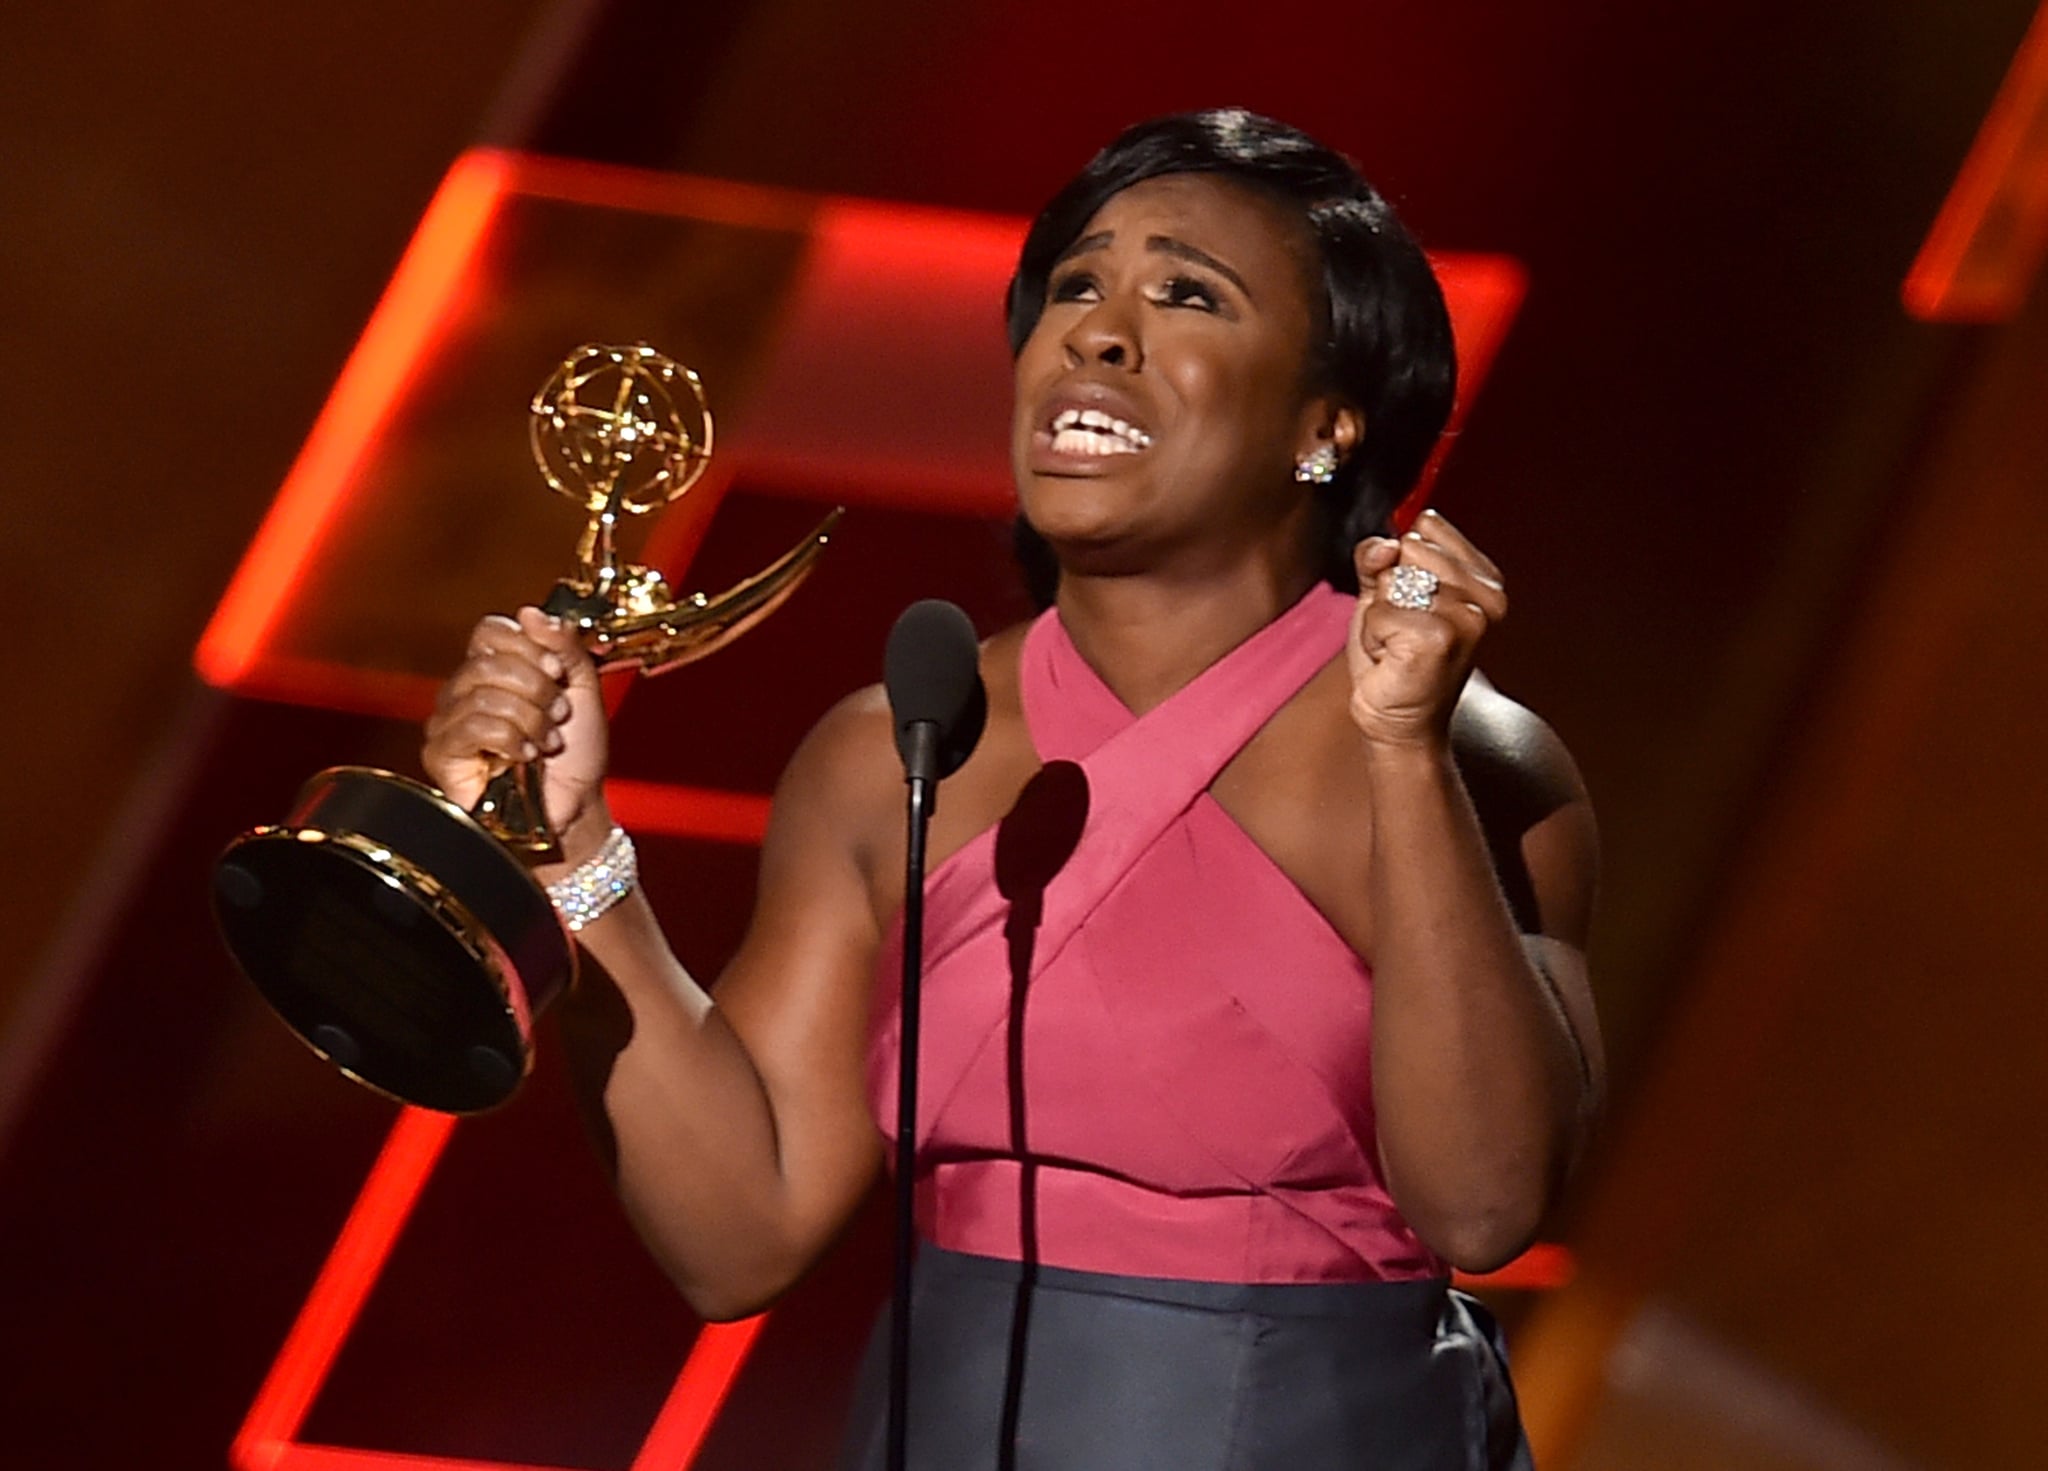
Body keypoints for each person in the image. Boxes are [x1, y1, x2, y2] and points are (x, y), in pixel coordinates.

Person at [423, 109, 1603, 1470]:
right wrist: (573, 852)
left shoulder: (1467, 760)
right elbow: (738, 1235)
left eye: (1185, 295)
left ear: (1325, 427)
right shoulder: (891, 751)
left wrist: (1401, 749)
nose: (1098, 331)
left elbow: (1488, 1207)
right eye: (1075, 287)